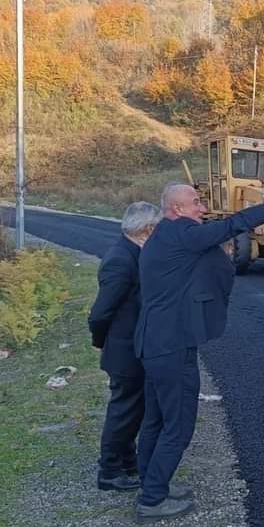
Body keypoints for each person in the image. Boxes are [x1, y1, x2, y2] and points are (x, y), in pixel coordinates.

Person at [133, 182, 264, 523]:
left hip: (154, 343)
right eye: (195, 203)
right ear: (176, 209)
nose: (202, 208)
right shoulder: (184, 234)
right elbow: (235, 224)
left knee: (156, 420)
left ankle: (152, 482)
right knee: (179, 425)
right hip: (171, 346)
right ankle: (152, 499)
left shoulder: (161, 237)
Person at [88, 202, 162, 494]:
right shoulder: (121, 260)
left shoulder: (133, 253)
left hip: (133, 347)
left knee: (134, 409)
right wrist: (100, 341)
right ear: (147, 229)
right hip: (124, 350)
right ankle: (109, 471)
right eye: (157, 228)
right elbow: (100, 312)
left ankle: (128, 461)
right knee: (123, 411)